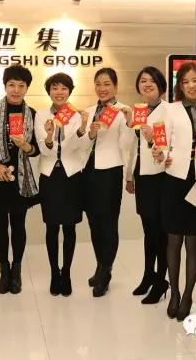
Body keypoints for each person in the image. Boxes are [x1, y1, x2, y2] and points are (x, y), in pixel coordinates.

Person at [154, 62, 196, 320]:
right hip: (174, 179)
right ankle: (175, 292)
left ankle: (189, 295)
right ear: (179, 86)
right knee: (173, 240)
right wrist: (160, 154)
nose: (191, 85)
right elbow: (162, 142)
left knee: (193, 240)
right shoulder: (169, 109)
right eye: (185, 82)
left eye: (195, 80)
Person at [0, 65, 40, 295]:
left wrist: (26, 145)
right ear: (5, 86)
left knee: (18, 224)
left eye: (21, 86)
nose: (16, 90)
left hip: (20, 178)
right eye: (11, 85)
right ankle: (3, 270)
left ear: (27, 88)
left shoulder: (31, 114)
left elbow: (36, 150)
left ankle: (17, 269)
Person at [80, 67, 135, 297]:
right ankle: (99, 265)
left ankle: (107, 271)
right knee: (93, 222)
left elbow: (127, 145)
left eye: (107, 84)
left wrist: (129, 122)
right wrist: (90, 133)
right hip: (88, 172)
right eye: (98, 84)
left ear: (115, 87)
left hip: (110, 172)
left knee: (108, 223)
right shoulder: (88, 111)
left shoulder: (123, 111)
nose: (102, 89)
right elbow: (80, 146)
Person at [34, 73, 88, 297]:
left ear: (69, 91)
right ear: (49, 91)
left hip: (71, 175)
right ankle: (54, 272)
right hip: (49, 176)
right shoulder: (41, 115)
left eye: (64, 88)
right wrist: (49, 137)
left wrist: (81, 128)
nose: (59, 92)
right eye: (55, 88)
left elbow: (80, 147)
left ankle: (66, 272)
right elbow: (44, 150)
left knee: (70, 227)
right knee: (51, 227)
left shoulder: (77, 115)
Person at [125, 66, 170, 304]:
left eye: (152, 80)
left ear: (161, 85)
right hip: (142, 175)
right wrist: (130, 176)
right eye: (143, 80)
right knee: (148, 230)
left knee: (160, 233)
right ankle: (148, 275)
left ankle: (161, 280)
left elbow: (166, 145)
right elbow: (134, 147)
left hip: (160, 176)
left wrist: (153, 138)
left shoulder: (169, 111)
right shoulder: (139, 111)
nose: (147, 84)